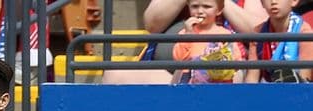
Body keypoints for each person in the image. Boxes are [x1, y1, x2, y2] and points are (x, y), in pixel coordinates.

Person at [102, 0, 265, 84]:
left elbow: (258, 29)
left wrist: (218, 3)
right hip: (173, 74)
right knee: (114, 75)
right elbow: (152, 24)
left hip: (224, 72)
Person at [171, 0, 245, 84]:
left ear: (219, 10)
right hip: (189, 86)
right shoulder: (185, 33)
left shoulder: (225, 34)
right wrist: (188, 36)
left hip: (217, 85)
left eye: (207, 7)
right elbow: (178, 58)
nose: (200, 11)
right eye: (195, 6)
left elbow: (236, 62)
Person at [245, 0, 313, 83]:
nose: (273, 2)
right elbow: (252, 78)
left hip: (296, 92)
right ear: (262, 3)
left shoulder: (305, 33)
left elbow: (304, 79)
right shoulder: (258, 33)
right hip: (268, 92)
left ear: (294, 1)